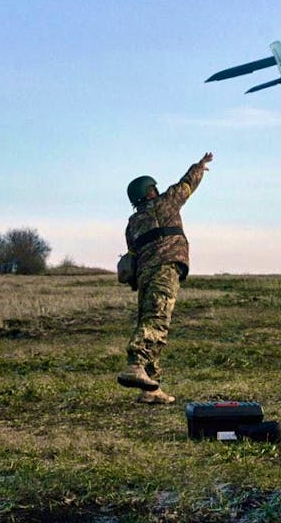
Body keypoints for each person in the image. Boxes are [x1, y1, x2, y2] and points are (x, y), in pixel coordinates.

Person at [116, 152, 213, 404]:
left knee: (149, 320)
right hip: (165, 268)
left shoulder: (133, 223)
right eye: (154, 188)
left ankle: (151, 387)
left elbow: (132, 254)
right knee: (158, 320)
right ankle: (135, 362)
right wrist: (200, 166)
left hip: (145, 275)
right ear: (150, 192)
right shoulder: (166, 203)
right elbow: (187, 184)